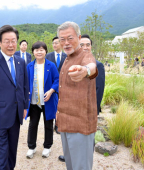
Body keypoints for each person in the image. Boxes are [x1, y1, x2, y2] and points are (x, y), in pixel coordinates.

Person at [0, 25, 29, 170]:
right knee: (1, 157)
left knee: (12, 153)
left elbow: (24, 87)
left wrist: (25, 106)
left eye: (13, 41)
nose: (10, 44)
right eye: (7, 41)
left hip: (15, 116)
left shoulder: (21, 62)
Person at [56, 21, 98, 170]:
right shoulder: (67, 58)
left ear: (79, 37)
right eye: (62, 39)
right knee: (71, 165)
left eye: (70, 38)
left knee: (81, 167)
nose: (66, 43)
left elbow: (91, 66)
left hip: (80, 125)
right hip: (65, 122)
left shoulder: (85, 55)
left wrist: (85, 70)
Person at [25, 41, 59, 159]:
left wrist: (51, 91)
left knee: (48, 124)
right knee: (32, 124)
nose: (39, 52)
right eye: (36, 50)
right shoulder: (29, 66)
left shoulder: (51, 65)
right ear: (33, 52)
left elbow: (57, 80)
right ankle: (31, 147)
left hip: (47, 101)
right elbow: (25, 83)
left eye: (41, 50)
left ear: (45, 51)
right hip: (34, 101)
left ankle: (47, 147)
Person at [46, 36, 67, 134]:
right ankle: (52, 124)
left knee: (62, 106)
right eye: (53, 43)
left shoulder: (66, 56)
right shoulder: (48, 56)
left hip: (64, 85)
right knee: (54, 105)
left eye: (57, 43)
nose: (54, 45)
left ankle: (58, 125)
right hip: (52, 86)